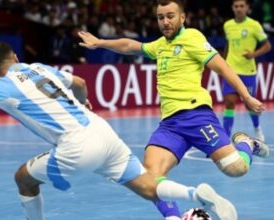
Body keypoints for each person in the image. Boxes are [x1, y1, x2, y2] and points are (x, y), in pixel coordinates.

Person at [0, 41, 237, 220]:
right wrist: (84, 105)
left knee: (23, 178)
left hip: (76, 146)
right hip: (101, 130)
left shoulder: (3, 84)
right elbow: (82, 81)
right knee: (147, 187)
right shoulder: (39, 67)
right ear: (14, 55)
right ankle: (197, 195)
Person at [78, 0, 270, 219]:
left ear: (182, 18)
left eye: (170, 16)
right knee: (150, 177)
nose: (165, 22)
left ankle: (246, 142)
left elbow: (223, 67)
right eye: (161, 17)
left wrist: (246, 96)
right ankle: (173, 217)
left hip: (197, 115)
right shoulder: (160, 45)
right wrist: (100, 42)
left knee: (236, 169)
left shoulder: (193, 38)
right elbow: (130, 46)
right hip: (170, 125)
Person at [222, 0, 272, 141]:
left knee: (250, 104)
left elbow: (267, 46)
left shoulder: (254, 25)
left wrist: (253, 54)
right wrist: (222, 64)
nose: (239, 9)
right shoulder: (228, 25)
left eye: (242, 6)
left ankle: (257, 129)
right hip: (231, 70)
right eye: (236, 6)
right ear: (232, 8)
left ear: (247, 8)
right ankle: (225, 138)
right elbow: (228, 45)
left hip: (248, 72)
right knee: (229, 102)